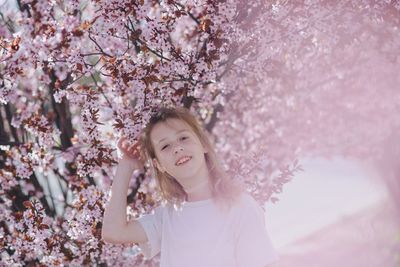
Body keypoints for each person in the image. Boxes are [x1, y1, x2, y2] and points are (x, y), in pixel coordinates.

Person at [101, 106, 279, 267]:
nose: (177, 148)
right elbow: (113, 232)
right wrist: (126, 166)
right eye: (165, 146)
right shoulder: (167, 217)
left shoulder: (240, 206)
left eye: (183, 138)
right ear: (159, 165)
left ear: (203, 144)